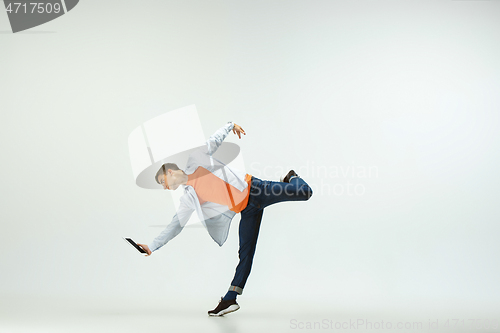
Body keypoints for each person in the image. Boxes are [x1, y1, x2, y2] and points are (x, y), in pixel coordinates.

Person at [137, 121, 313, 316]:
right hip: (246, 210)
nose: (165, 187)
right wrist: (152, 246)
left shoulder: (196, 159)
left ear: (169, 172)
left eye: (163, 182)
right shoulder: (188, 198)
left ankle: (291, 176)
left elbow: (214, 141)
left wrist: (230, 126)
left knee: (305, 192)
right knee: (245, 253)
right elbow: (175, 226)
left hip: (256, 189)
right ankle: (230, 299)